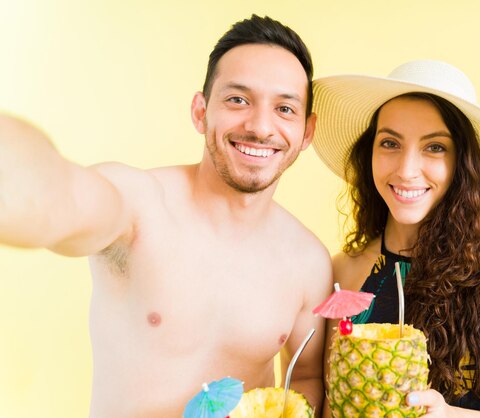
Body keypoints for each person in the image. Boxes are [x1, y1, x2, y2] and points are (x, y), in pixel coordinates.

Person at [0, 14, 332, 418]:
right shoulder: (138, 206)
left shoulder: (309, 262)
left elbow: (306, 380)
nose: (261, 126)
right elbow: (59, 195)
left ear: (307, 132)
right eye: (238, 100)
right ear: (200, 111)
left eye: (284, 108)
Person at [312, 60, 480, 417]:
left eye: (435, 147)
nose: (406, 170)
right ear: (368, 152)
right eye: (390, 142)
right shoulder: (345, 273)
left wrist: (449, 415)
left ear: (463, 162)